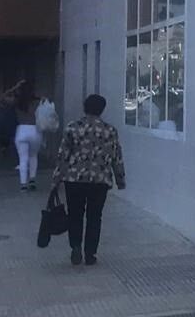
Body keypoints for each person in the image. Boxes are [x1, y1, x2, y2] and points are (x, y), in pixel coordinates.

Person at [52, 94, 126, 267]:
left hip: (74, 179)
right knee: (95, 217)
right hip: (99, 181)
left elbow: (63, 156)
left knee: (75, 215)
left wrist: (56, 179)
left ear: (85, 107)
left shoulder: (72, 128)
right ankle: (90, 253)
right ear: (102, 109)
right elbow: (117, 157)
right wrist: (120, 180)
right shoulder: (110, 131)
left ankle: (76, 246)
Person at [12, 83, 41, 191]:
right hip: (35, 130)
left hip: (21, 130)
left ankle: (23, 185)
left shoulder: (16, 102)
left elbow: (2, 98)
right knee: (33, 156)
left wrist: (14, 87)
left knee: (23, 159)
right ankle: (32, 179)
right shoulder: (37, 102)